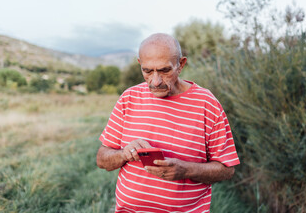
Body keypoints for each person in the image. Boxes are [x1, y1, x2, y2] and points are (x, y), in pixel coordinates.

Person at [96, 33, 240, 212]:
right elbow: (102, 159)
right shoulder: (129, 98)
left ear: (180, 64)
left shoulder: (207, 104)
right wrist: (124, 154)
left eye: (165, 71)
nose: (155, 82)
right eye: (148, 71)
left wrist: (186, 170)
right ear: (140, 64)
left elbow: (227, 169)